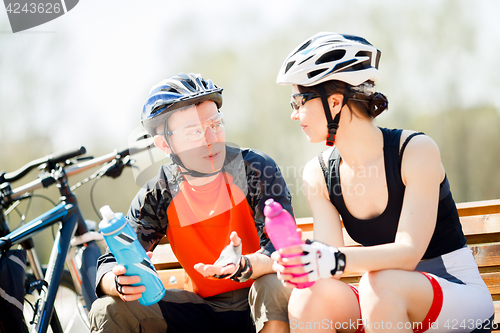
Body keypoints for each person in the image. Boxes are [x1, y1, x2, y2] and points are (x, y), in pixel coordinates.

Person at [271, 32, 494, 332]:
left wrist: (331, 259)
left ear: (335, 102)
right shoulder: (318, 174)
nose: (294, 114)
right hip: (382, 300)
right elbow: (328, 269)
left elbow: (407, 252)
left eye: (298, 101)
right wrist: (302, 262)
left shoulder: (415, 151)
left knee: (379, 284)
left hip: (455, 293)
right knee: (307, 298)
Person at [89, 73, 292, 333]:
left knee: (272, 285)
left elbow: (281, 251)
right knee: (107, 309)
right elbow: (109, 261)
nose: (211, 139)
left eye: (216, 124)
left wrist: (242, 266)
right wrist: (116, 281)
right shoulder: (159, 194)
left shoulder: (254, 169)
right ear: (165, 143)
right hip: (201, 311)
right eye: (194, 131)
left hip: (260, 296)